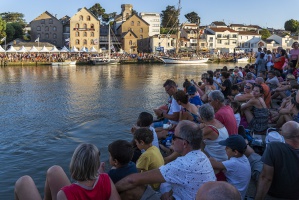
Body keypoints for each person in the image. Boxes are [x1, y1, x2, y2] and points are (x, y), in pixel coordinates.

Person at [115, 120, 216, 200]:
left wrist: (109, 189)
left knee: (133, 190)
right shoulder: (202, 156)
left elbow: (132, 180)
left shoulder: (183, 164)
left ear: (184, 143)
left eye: (174, 136)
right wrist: (171, 194)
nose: (171, 139)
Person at [14, 143, 120, 200]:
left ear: (74, 164)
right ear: (96, 165)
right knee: (54, 170)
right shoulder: (106, 179)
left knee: (23, 182)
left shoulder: (65, 193)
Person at [255, 121, 299, 199]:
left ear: (282, 134)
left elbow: (266, 178)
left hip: (275, 194)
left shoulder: (274, 147)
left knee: (255, 161)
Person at [209, 135, 251, 200]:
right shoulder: (244, 158)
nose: (225, 149)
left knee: (215, 170)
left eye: (227, 148)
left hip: (232, 196)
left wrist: (210, 158)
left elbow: (213, 164)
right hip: (240, 194)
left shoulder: (234, 163)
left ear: (235, 152)